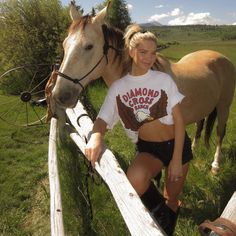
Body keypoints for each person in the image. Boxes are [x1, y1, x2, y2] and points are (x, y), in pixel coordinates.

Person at [85, 24, 193, 236]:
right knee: (134, 179)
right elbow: (102, 119)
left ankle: (166, 219)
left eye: (153, 53)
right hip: (148, 149)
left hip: (176, 145)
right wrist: (96, 137)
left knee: (172, 198)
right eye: (143, 52)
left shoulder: (163, 80)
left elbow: (180, 121)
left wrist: (177, 158)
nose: (149, 58)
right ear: (131, 52)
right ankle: (161, 216)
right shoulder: (119, 87)